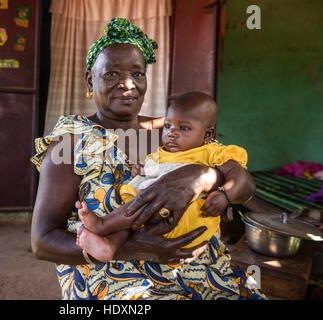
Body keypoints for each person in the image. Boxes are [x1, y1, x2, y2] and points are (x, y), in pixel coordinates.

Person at [31, 17, 266, 300]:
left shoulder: (171, 131)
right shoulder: (72, 142)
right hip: (115, 280)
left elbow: (245, 186)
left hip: (201, 271)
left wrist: (204, 176)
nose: (127, 84)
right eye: (111, 74)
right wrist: (137, 247)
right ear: (90, 80)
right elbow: (42, 242)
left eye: (137, 74)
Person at [75, 92, 249, 262]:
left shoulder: (212, 152)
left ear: (208, 135)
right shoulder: (162, 153)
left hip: (189, 218)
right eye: (167, 126)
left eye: (184, 128)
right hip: (155, 216)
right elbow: (153, 170)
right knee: (134, 214)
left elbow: (238, 176)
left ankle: (102, 225)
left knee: (139, 207)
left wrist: (225, 195)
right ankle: (110, 246)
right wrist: (141, 170)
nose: (172, 133)